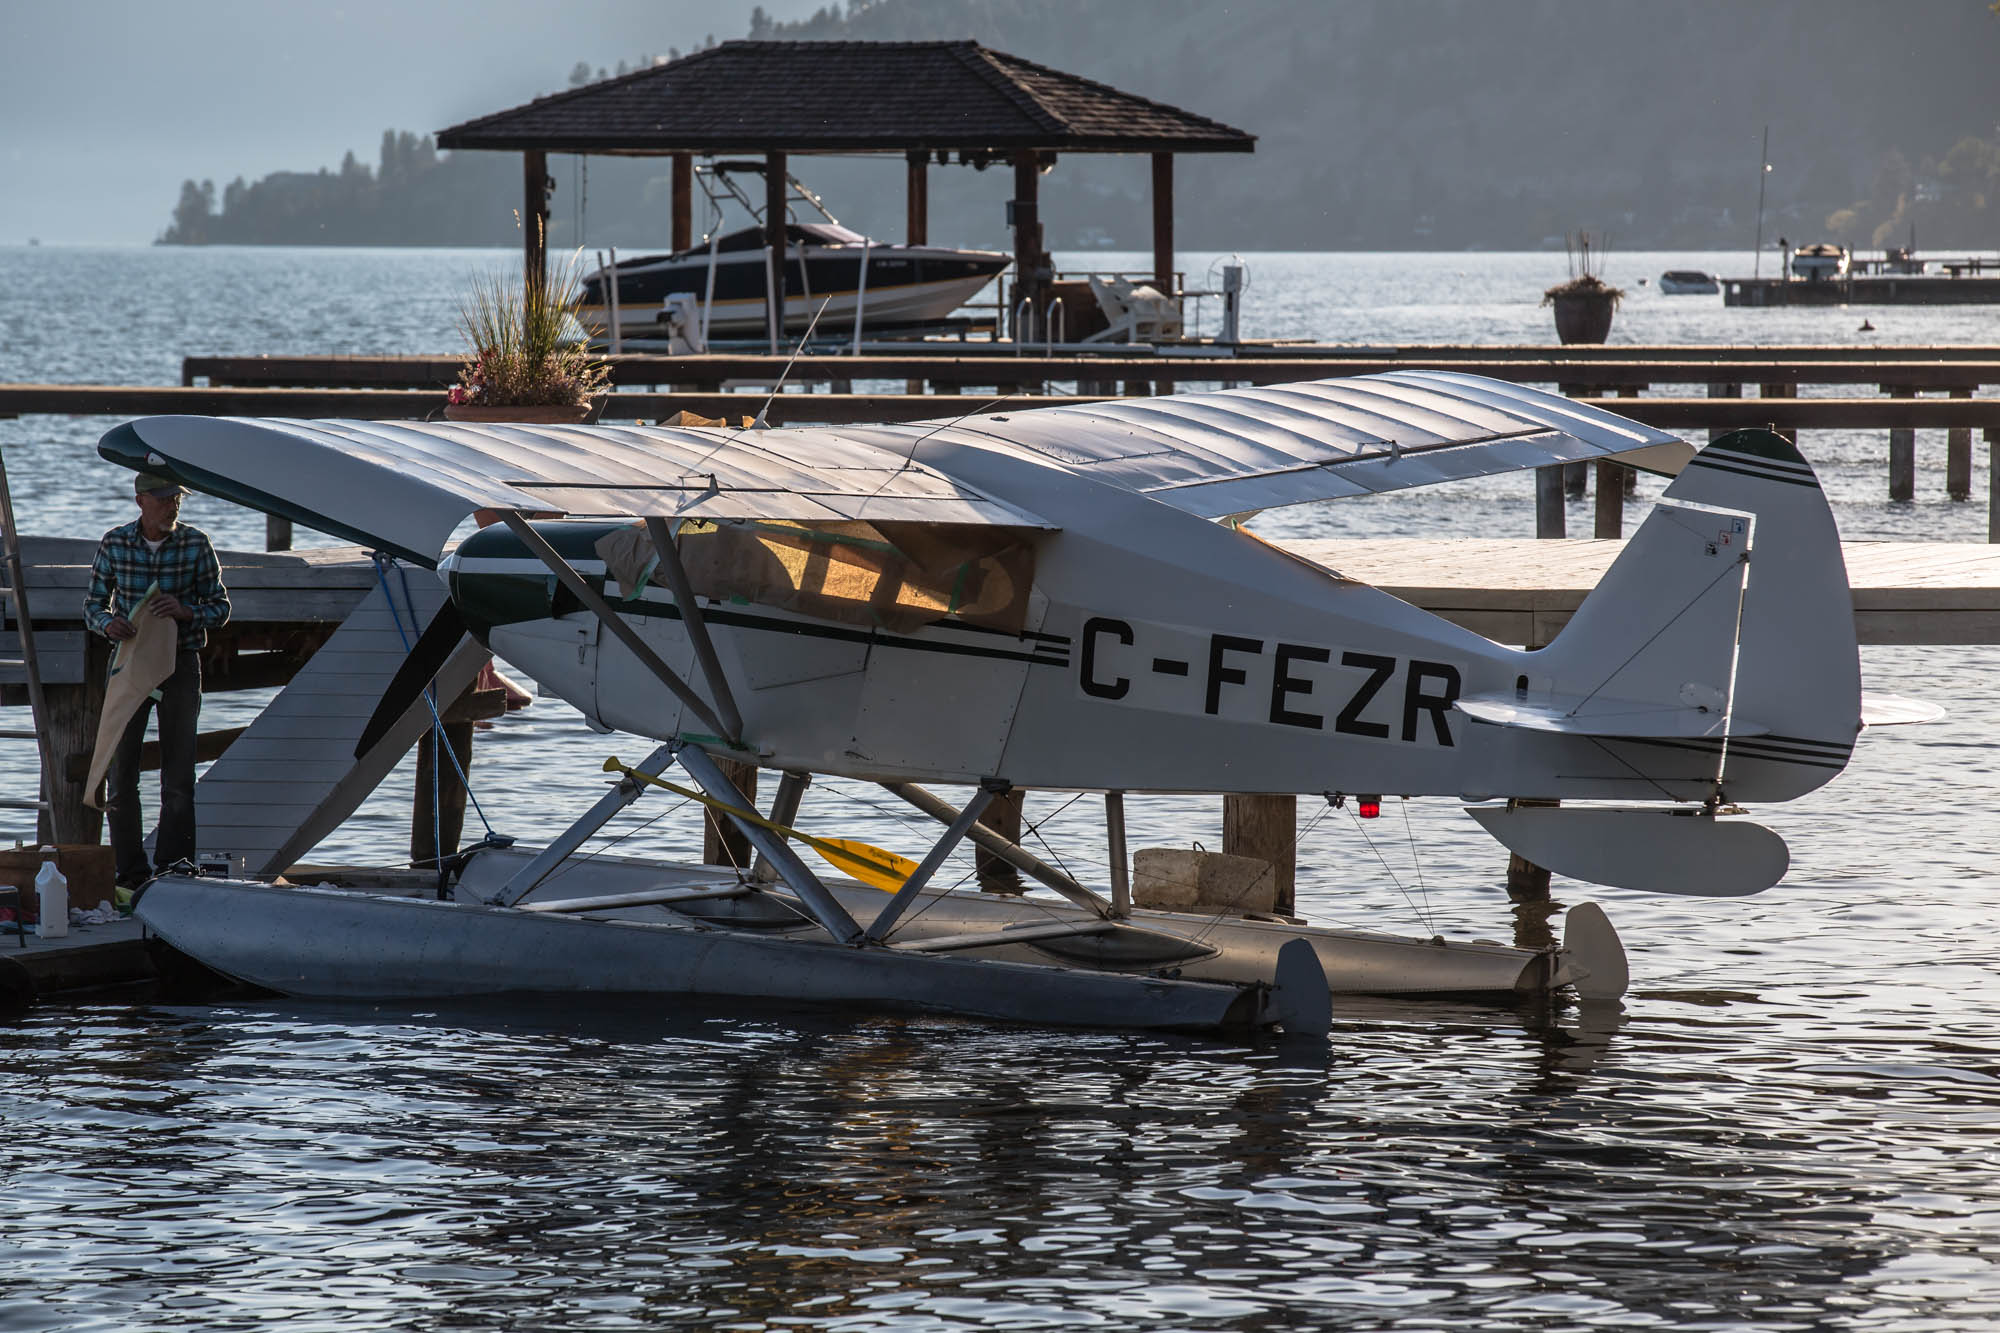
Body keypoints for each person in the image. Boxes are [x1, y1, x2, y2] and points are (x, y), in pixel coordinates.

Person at [82, 473, 230, 888]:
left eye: (176, 498)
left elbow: (220, 607)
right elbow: (92, 603)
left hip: (180, 664)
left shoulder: (196, 543)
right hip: (130, 664)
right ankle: (130, 876)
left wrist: (186, 611)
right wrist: (107, 624)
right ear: (141, 500)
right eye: (164, 498)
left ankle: (174, 871)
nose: (172, 505)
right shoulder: (115, 542)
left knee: (179, 776)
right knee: (121, 773)